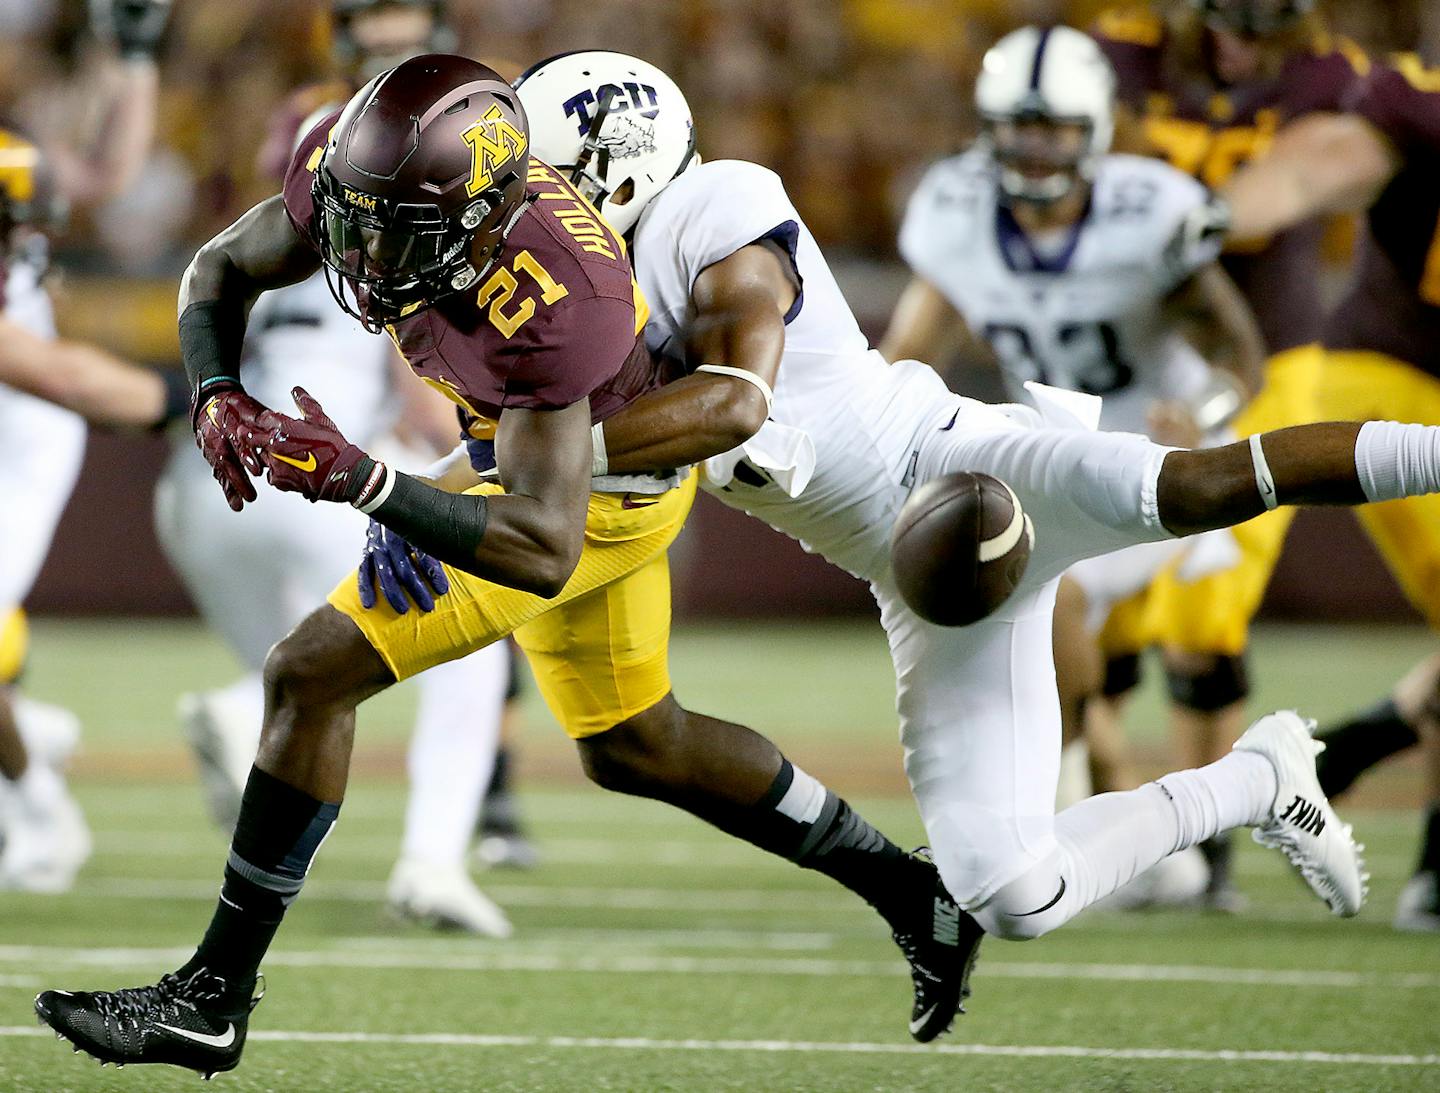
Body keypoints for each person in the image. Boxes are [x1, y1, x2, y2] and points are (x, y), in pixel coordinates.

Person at [34, 56, 974, 1077]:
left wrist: (377, 487)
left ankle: (209, 999)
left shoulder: (561, 296)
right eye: (353, 215)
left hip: (593, 498)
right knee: (633, 745)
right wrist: (216, 389)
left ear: (481, 223)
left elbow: (541, 539)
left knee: (309, 672)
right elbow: (217, 268)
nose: (362, 247)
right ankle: (909, 891)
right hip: (520, 465)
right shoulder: (367, 175)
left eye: (398, 231)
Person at [509, 37, 1440, 1022]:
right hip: (921, 575)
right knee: (1014, 893)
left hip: (968, 465)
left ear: (617, 162)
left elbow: (738, 392)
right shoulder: (580, 291)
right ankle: (1259, 777)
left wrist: (562, 457)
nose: (528, 209)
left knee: (1206, 484)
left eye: (544, 181)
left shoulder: (718, 204)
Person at [879, 25, 1269, 907]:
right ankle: (1122, 829)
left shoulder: (1150, 211)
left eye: (1053, 127)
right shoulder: (956, 215)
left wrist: (1205, 412)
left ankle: (1092, 828)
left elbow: (1241, 350)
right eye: (1018, 125)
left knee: (1113, 614)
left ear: (1092, 130)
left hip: (1165, 454)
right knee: (1041, 606)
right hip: (1056, 439)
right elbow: (908, 350)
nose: (1034, 144)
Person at [174, 0, 525, 936]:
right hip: (301, 454)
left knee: (311, 667)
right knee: (458, 633)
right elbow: (414, 393)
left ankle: (244, 708)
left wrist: (213, 397)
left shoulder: (308, 181)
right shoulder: (414, 206)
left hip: (204, 473)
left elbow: (221, 263)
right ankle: (432, 860)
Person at [1089, 0, 1371, 906]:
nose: (1247, 33)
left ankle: (1204, 849)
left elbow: (1281, 197)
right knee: (1103, 615)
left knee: (1206, 614)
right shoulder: (1127, 47)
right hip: (1142, 356)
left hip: (1269, 357)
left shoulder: (1324, 73)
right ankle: (1114, 830)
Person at [1219, 50, 1440, 931]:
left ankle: (1353, 745)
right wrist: (1225, 207)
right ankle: (1430, 862)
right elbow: (1322, 163)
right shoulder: (1418, 101)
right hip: (1389, 383)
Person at [0, 0, 169, 891]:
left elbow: (103, 173)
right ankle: (30, 738)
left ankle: (37, 805)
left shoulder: (14, 158)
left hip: (18, 411)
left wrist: (132, 63)